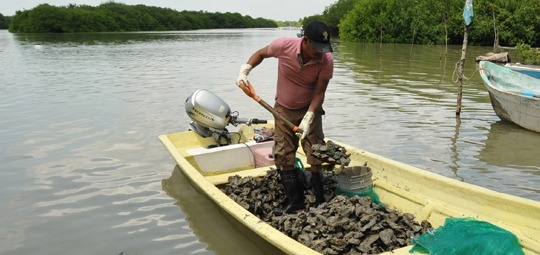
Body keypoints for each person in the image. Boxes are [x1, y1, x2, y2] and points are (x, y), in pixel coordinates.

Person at [236, 20, 334, 214]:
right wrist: (245, 71)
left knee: (315, 152)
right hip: (283, 108)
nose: (321, 52)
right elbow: (261, 54)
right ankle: (295, 201)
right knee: (283, 153)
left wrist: (309, 117)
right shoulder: (283, 45)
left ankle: (320, 201)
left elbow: (319, 93)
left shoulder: (326, 60)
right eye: (317, 48)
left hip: (310, 109)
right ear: (305, 41)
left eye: (324, 48)